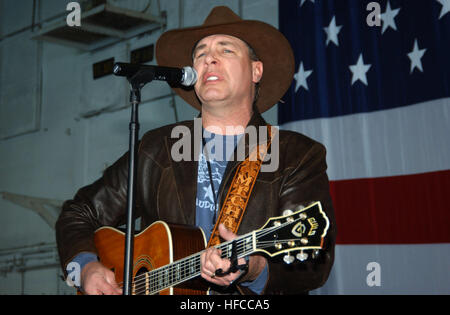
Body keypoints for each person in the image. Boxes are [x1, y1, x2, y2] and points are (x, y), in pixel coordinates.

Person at [56, 6, 336, 295]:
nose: (209, 59)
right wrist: (86, 266)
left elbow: (316, 261)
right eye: (200, 53)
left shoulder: (296, 154)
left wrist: (254, 267)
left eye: (225, 50)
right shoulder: (157, 148)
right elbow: (79, 212)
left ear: (256, 70)